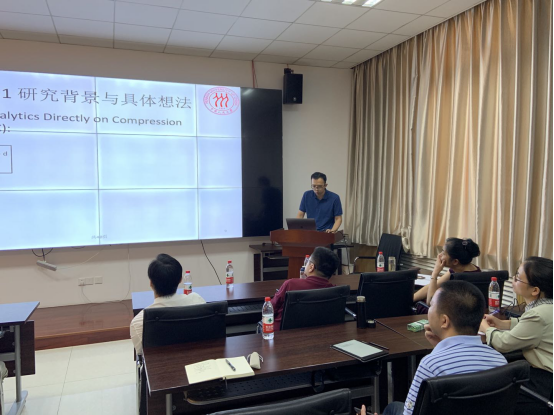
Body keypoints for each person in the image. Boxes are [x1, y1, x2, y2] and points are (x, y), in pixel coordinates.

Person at [361, 280, 507, 415]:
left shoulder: (431, 365)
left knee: (392, 408)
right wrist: (440, 347)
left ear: (444, 321)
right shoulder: (500, 360)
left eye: (431, 306)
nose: (428, 310)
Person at [480, 257, 553, 415]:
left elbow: (504, 344)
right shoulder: (546, 307)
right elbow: (530, 327)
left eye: (518, 277)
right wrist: (502, 324)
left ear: (535, 290)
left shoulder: (538, 314)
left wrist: (486, 328)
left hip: (545, 383)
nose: (513, 279)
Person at [130, 253, 206, 355]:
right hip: (198, 362)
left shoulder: (139, 322)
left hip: (161, 364)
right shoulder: (197, 301)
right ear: (180, 280)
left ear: (151, 283)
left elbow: (142, 355)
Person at [270, 246, 340, 331]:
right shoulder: (334, 291)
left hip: (283, 334)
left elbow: (271, 308)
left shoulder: (290, 284)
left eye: (308, 261)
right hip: (316, 334)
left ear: (311, 267)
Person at [413, 237, 481, 304]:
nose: (440, 255)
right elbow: (433, 285)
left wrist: (435, 273)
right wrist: (410, 299)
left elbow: (431, 302)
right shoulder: (459, 269)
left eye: (444, 253)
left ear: (455, 261)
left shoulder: (463, 279)